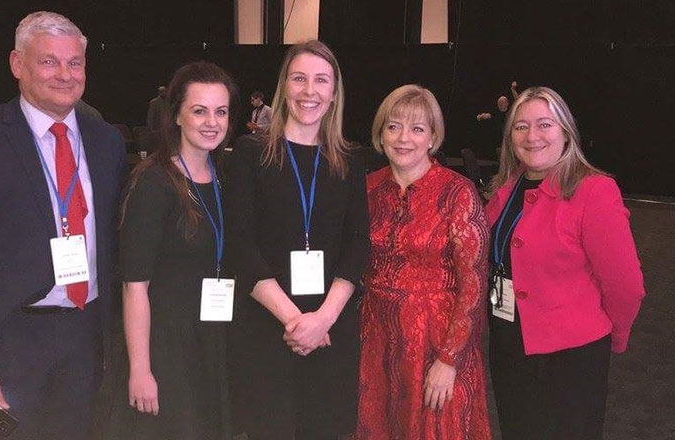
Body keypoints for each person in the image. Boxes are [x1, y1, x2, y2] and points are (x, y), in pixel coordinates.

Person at [0, 11, 126, 439]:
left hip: (85, 338)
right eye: (49, 62)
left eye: (75, 63)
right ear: (18, 65)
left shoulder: (106, 141)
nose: (65, 74)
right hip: (5, 343)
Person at [225, 40, 370, 440]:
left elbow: (358, 244)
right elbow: (239, 244)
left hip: (331, 332)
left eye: (321, 80)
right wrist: (294, 321)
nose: (310, 91)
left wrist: (322, 319)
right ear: (284, 86)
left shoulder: (351, 160)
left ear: (334, 91)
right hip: (267, 329)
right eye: (300, 78)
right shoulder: (250, 154)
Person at [485, 86, 645, 440]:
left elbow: (626, 285)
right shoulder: (505, 190)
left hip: (571, 356)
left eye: (545, 124)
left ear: (566, 132)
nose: (533, 136)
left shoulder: (594, 190)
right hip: (510, 347)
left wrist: (614, 338)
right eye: (521, 126)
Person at [356, 85, 491, 439]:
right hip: (377, 337)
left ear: (432, 137)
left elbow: (473, 285)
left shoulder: (456, 192)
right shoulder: (366, 189)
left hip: (437, 340)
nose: (404, 138)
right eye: (394, 126)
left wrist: (448, 360)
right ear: (381, 134)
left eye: (417, 129)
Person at [120, 61, 238, 440]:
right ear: (177, 117)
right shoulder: (154, 183)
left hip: (213, 341)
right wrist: (140, 368)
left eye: (220, 111)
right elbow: (134, 285)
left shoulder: (223, 177)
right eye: (199, 110)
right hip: (168, 349)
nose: (212, 122)